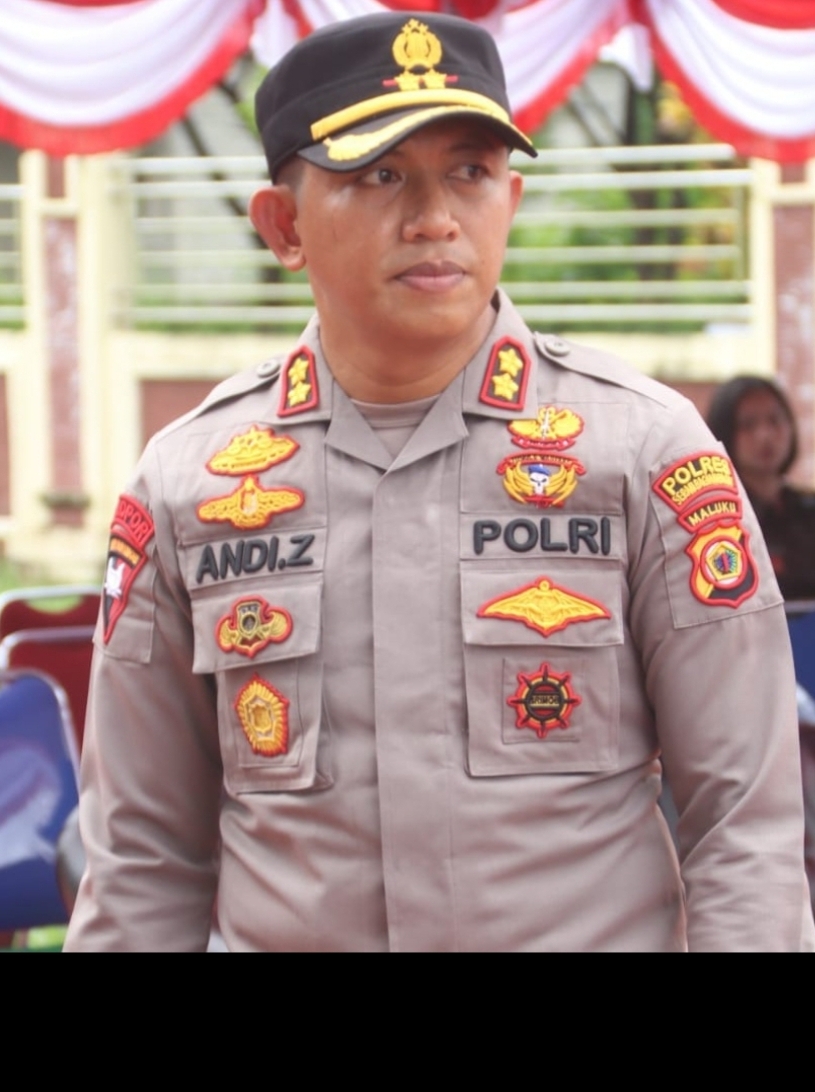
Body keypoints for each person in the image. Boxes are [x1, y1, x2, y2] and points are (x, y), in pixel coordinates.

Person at [65, 12, 814, 952]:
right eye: (380, 176)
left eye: (469, 172)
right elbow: (141, 861)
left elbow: (744, 827)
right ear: (284, 225)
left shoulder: (646, 454)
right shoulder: (187, 485)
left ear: (511, 198)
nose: (434, 219)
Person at [707, 375, 815, 602]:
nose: (765, 435)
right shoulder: (716, 518)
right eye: (748, 425)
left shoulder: (807, 511)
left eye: (774, 420)